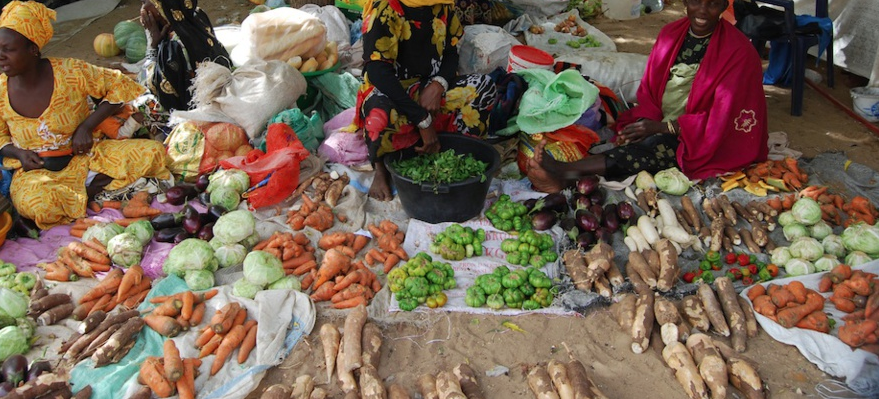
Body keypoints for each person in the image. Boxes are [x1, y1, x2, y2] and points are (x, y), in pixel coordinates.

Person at [526, 0, 768, 193]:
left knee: (653, 149)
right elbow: (651, 92)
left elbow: (723, 119)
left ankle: (566, 172)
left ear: (725, 5)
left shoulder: (739, 53)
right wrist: (645, 123)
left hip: (707, 137)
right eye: (696, 1)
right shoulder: (671, 34)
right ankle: (570, 177)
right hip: (663, 120)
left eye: (713, 3)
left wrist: (664, 128)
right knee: (624, 131)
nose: (703, 10)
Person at [0, 1, 171, 229]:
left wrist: (86, 126)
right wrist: (19, 153)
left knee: (153, 152)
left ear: (33, 49)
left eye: (8, 49)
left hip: (88, 157)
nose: (0, 56)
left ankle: (82, 194)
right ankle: (91, 192)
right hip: (39, 173)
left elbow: (119, 86)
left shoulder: (70, 72)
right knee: (36, 206)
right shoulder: (1, 89)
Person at [356, 0, 498, 200]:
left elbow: (451, 52)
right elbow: (378, 72)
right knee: (378, 115)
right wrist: (422, 119)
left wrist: (438, 85)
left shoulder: (442, 4)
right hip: (392, 90)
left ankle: (455, 150)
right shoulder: (386, 8)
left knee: (483, 87)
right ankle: (381, 168)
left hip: (431, 87)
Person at [139, 0, 231, 112]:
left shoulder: (172, 48)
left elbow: (152, 88)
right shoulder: (197, 15)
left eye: (145, 2)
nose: (142, 9)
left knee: (142, 105)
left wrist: (152, 46)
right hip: (224, 89)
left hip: (198, 108)